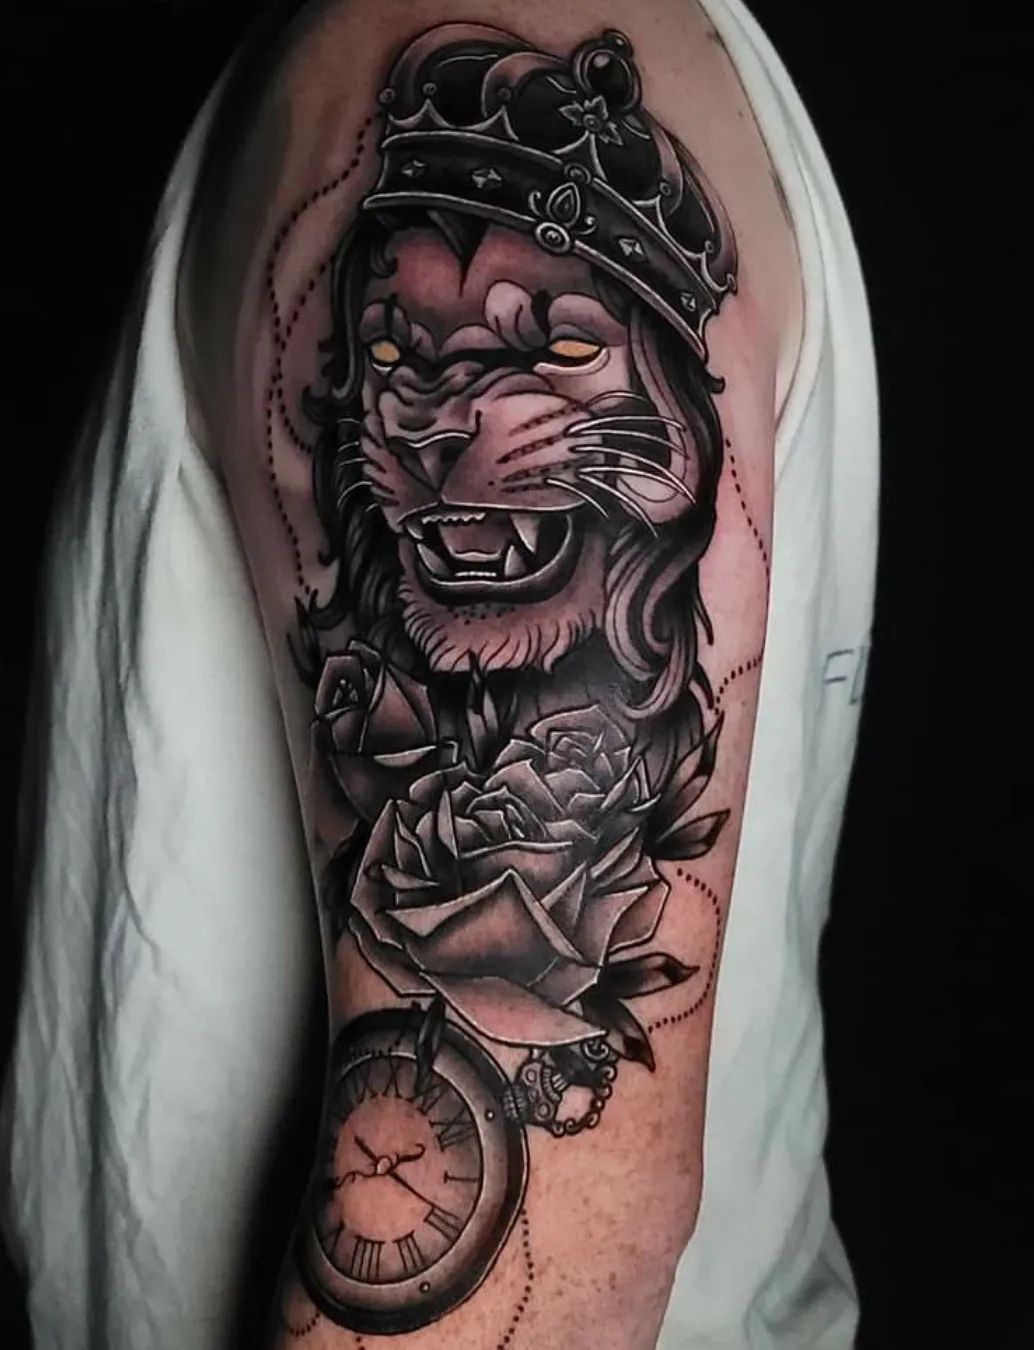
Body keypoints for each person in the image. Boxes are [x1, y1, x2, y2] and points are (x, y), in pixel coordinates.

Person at [1, 2, 877, 1347]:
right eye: (396, 356)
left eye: (560, 345)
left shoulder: (407, 26)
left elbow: (535, 1289)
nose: (441, 419)